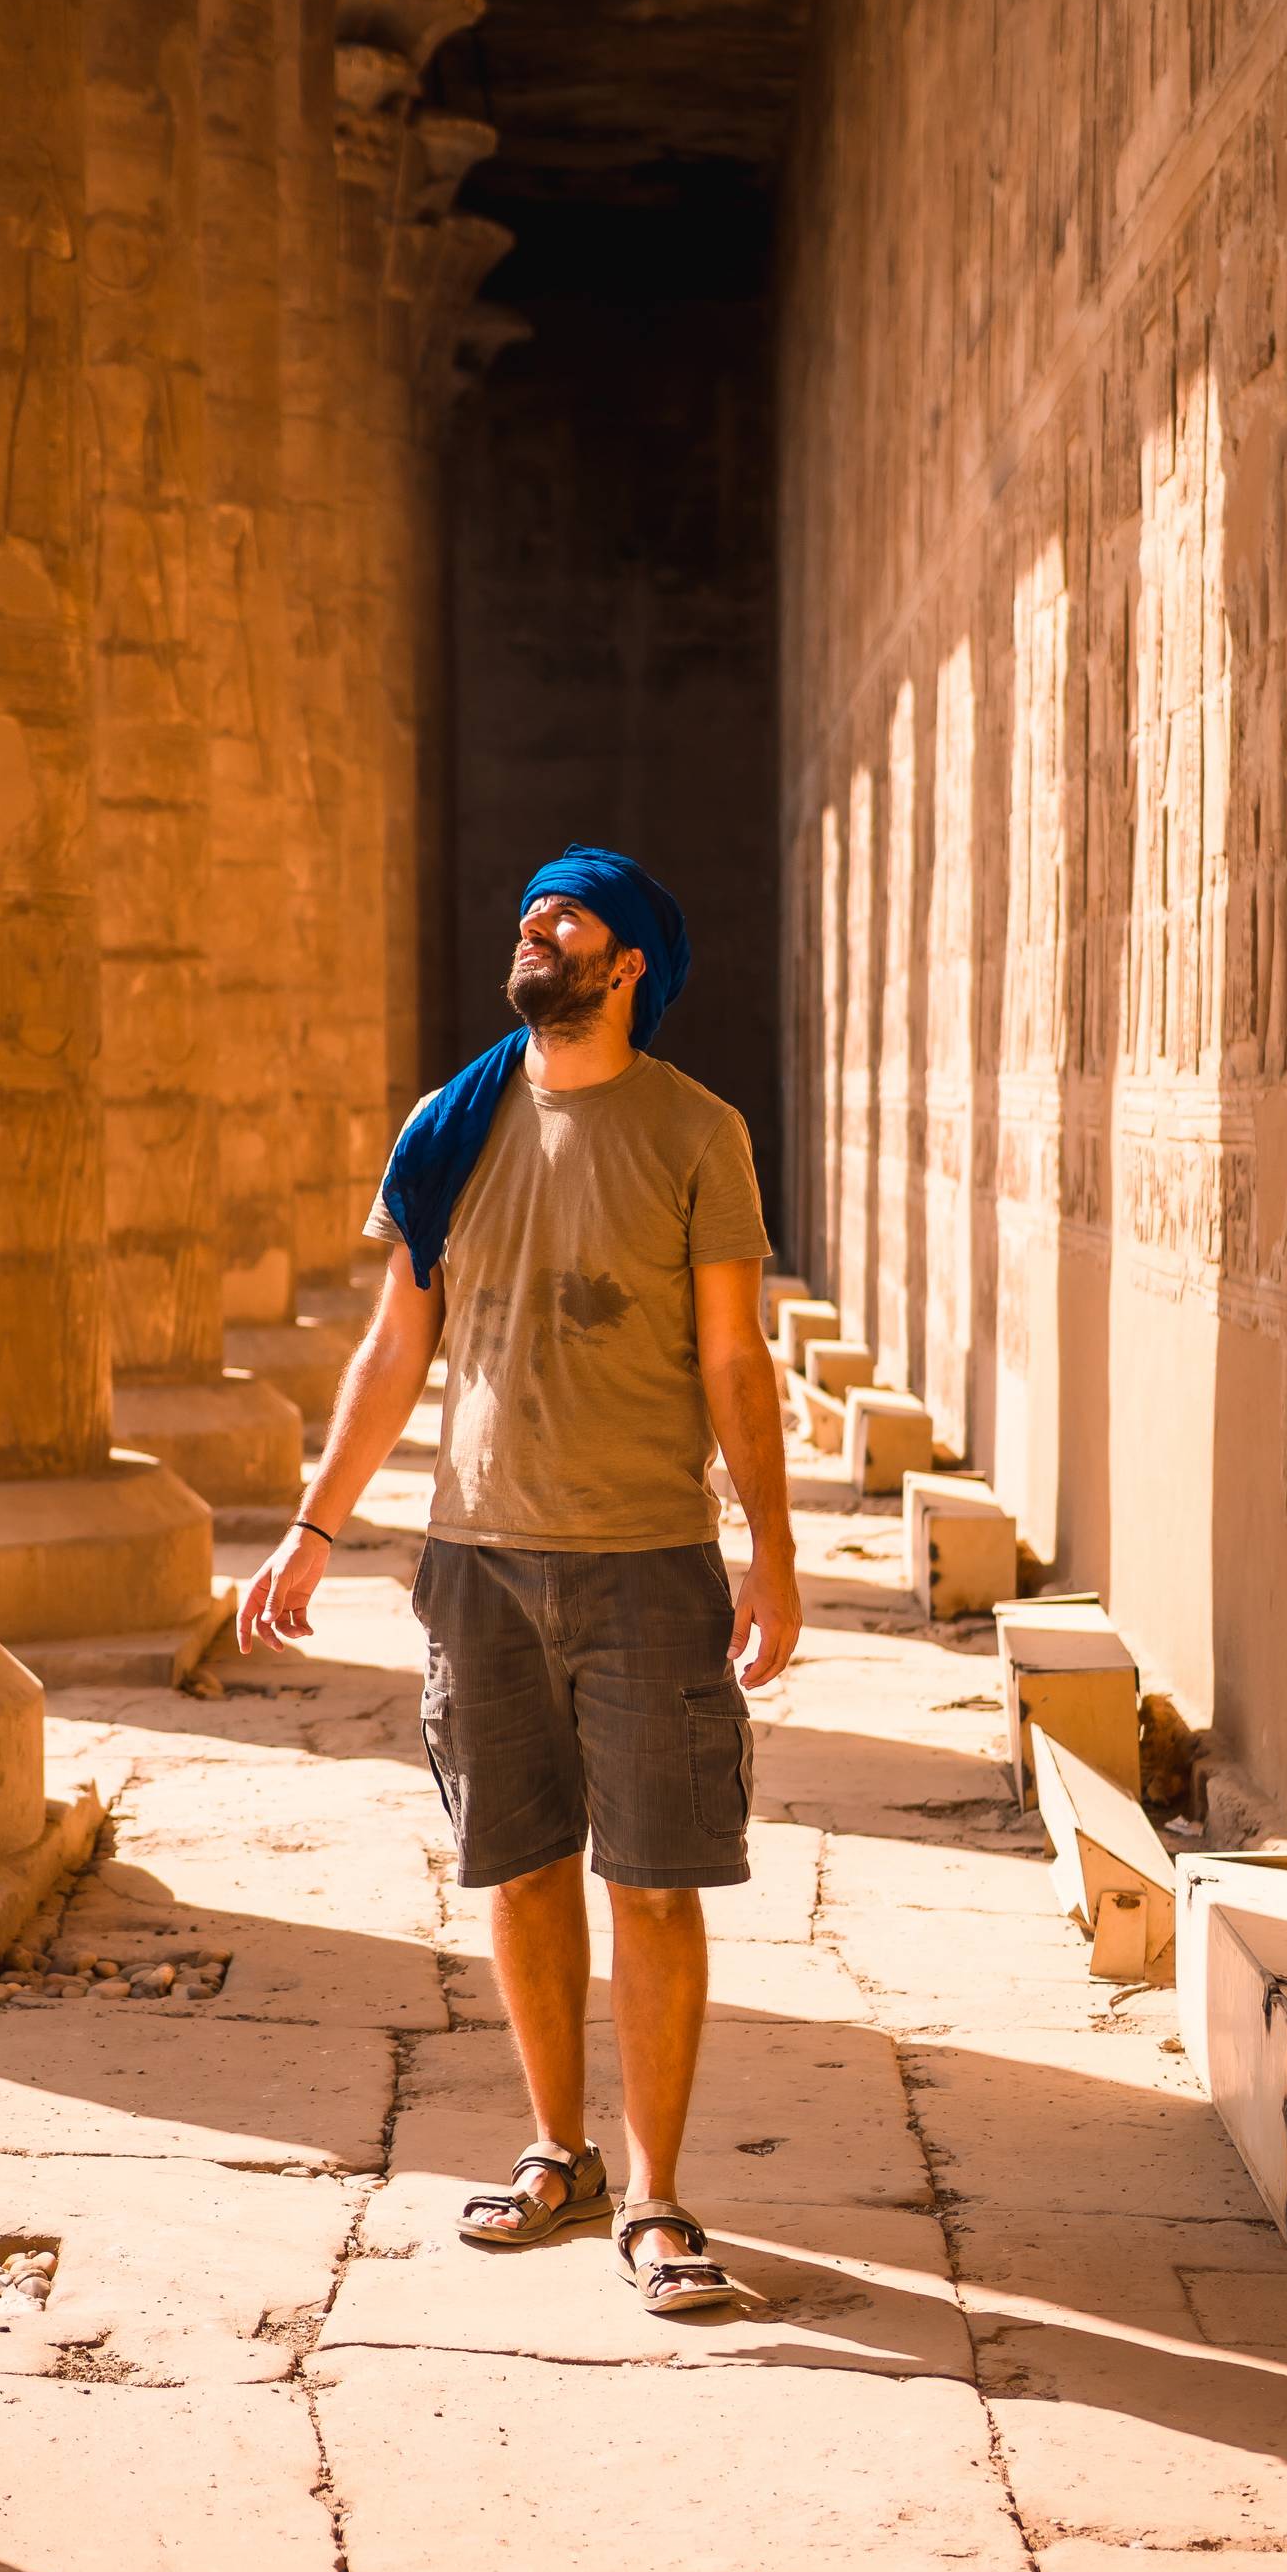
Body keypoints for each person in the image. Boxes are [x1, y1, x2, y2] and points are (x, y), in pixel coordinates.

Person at [238, 845, 802, 2316]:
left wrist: (775, 1555)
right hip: (477, 1563)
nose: (534, 925)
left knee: (658, 1885)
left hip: (647, 1564)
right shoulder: (450, 1127)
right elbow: (393, 1351)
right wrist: (313, 1527)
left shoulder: (697, 1132)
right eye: (529, 909)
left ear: (629, 968)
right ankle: (562, 2154)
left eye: (571, 913)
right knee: (523, 1869)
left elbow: (738, 1362)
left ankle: (663, 2197)